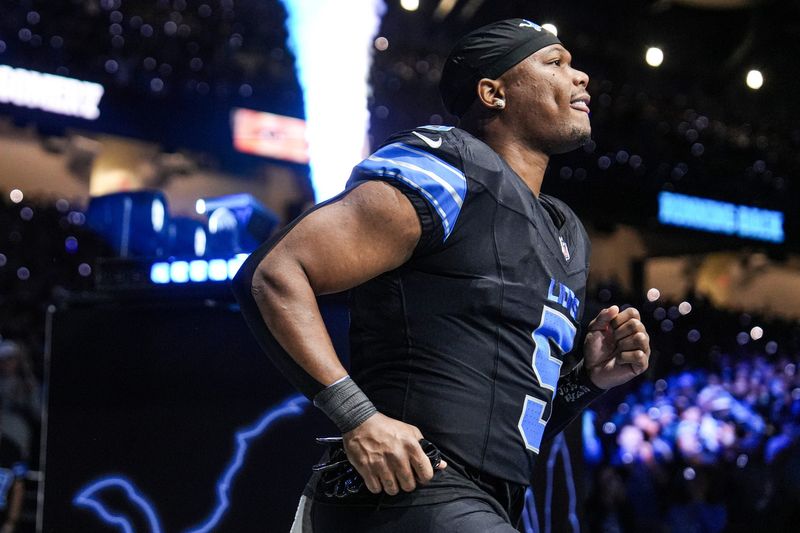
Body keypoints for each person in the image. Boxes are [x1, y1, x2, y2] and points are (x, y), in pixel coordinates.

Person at [233, 18, 651, 532]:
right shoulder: (449, 168)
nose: (581, 75)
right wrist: (358, 417)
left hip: (480, 501)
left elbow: (505, 425)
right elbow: (275, 272)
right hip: (401, 491)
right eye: (555, 62)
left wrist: (587, 380)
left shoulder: (564, 231)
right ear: (493, 92)